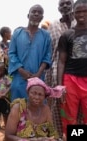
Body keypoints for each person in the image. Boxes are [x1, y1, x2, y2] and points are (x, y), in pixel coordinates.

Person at [44, 0, 75, 139]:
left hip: (78, 70)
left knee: (76, 106)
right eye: (61, 4)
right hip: (56, 70)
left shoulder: (80, 22)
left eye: (68, 3)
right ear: (58, 8)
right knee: (57, 104)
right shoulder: (54, 26)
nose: (65, 6)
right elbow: (50, 50)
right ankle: (58, 135)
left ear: (73, 4)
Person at [8, 4, 52, 101]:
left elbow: (47, 56)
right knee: (18, 108)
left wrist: (38, 74)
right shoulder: (17, 33)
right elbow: (12, 54)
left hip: (38, 79)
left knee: (36, 109)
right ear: (28, 15)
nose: (36, 14)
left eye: (39, 12)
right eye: (34, 11)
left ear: (42, 18)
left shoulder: (46, 36)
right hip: (20, 78)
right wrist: (21, 71)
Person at [57, 0, 87, 138]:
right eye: (78, 11)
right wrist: (59, 85)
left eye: (84, 11)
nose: (81, 14)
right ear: (73, 14)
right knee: (69, 117)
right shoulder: (66, 35)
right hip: (71, 79)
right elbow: (61, 61)